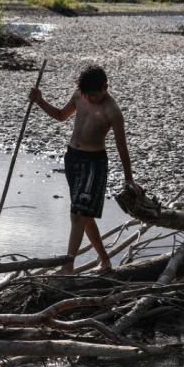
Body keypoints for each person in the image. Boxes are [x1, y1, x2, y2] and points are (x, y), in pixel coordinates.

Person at [29, 65, 141, 274]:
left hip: (93, 164)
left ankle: (68, 266)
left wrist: (129, 179)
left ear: (105, 88)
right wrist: (39, 101)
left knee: (78, 215)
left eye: (94, 95)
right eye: (86, 95)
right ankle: (105, 261)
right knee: (84, 216)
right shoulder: (79, 95)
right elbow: (61, 115)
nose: (89, 99)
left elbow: (121, 146)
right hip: (72, 159)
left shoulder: (112, 111)